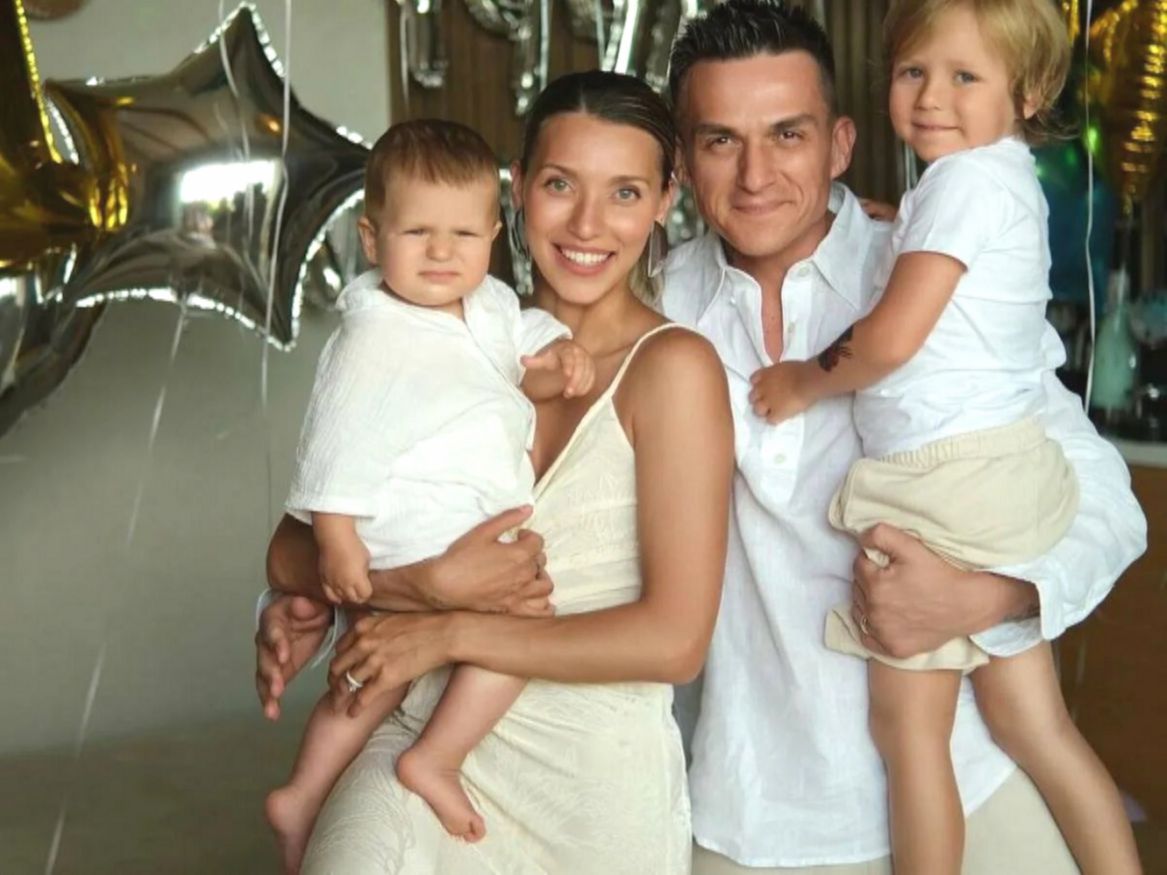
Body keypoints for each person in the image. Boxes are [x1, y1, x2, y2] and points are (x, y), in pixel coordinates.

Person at [660, 0, 1146, 872]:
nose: (756, 174)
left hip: (969, 777)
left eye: (787, 135)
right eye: (720, 140)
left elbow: (1106, 501)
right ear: (684, 163)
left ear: (839, 144)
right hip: (748, 799)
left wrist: (988, 598)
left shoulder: (926, 277)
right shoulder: (655, 310)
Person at [259, 70, 733, 873]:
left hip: (589, 795)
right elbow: (288, 549)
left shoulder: (673, 367)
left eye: (624, 192)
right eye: (559, 184)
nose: (587, 223)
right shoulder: (436, 328)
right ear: (516, 188)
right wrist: (415, 585)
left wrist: (444, 626)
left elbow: (674, 640)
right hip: (404, 739)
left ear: (664, 200)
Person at [265, 118, 597, 870]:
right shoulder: (373, 336)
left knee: (375, 674)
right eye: (417, 233)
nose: (442, 253)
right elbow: (334, 437)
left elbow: (516, 358)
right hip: (410, 527)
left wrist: (557, 355)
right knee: (522, 629)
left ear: (493, 237)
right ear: (372, 238)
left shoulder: (489, 307)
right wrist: (336, 537)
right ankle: (435, 757)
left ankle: (302, 790)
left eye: (463, 235)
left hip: (452, 527)